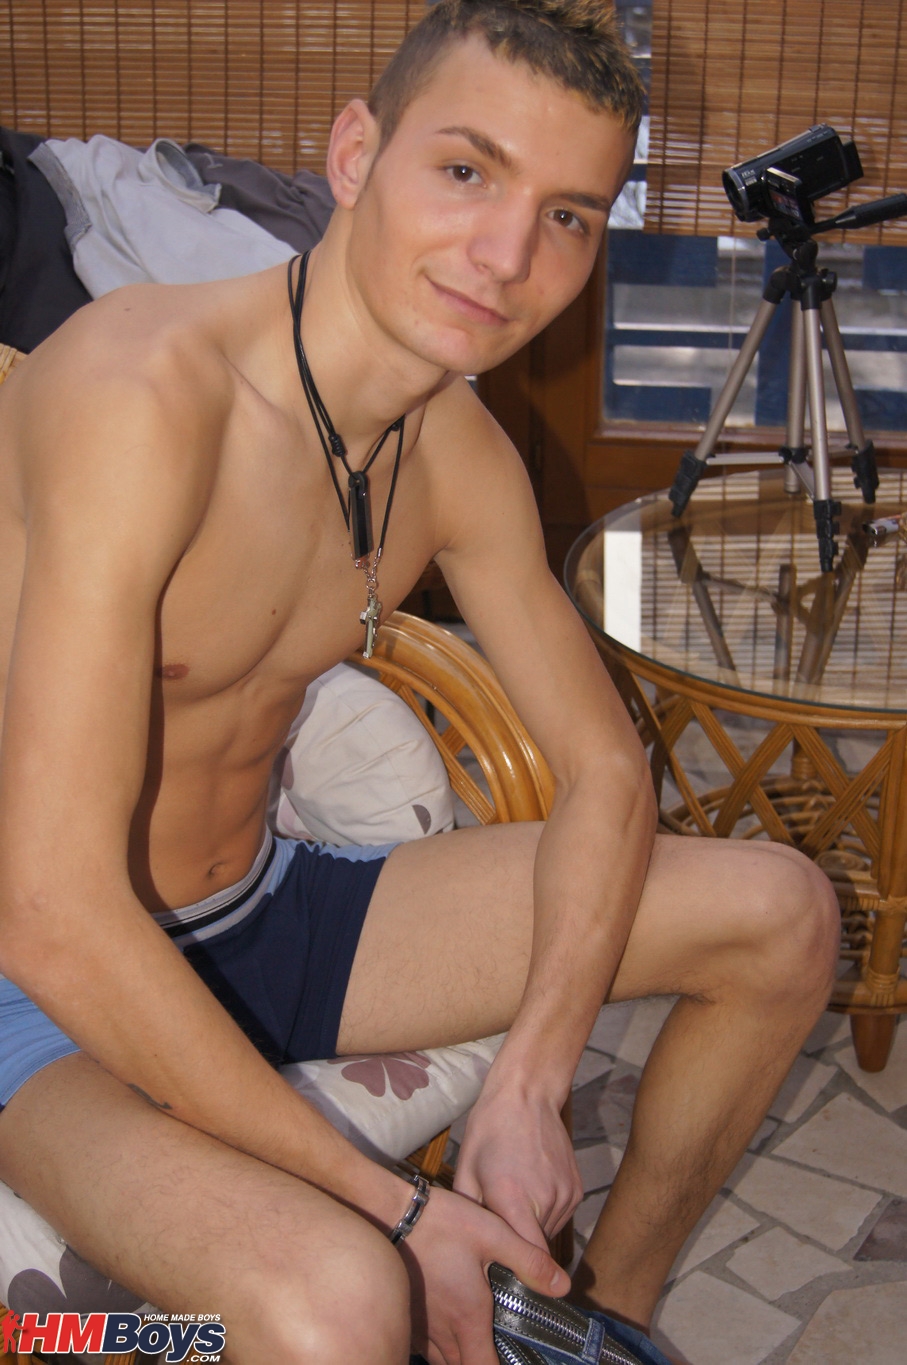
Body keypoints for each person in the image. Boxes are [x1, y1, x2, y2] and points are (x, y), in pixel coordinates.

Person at [0, 2, 839, 1362]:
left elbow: (606, 772)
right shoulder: (142, 394)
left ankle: (598, 1327)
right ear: (355, 154)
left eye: (568, 216)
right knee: (338, 1302)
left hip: (262, 907)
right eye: (466, 171)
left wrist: (533, 1079)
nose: (508, 256)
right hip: (39, 981)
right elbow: (48, 910)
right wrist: (399, 1209)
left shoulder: (453, 451)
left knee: (782, 916)